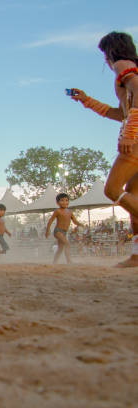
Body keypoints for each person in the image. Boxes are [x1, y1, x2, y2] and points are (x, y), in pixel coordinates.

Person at [69, 32, 138, 267]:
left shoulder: (122, 65)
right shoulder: (131, 68)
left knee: (113, 189)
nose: (105, 62)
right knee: (133, 195)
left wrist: (130, 134)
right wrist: (87, 101)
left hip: (136, 138)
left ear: (111, 52)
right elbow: (120, 113)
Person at [45, 193, 82, 264]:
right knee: (67, 244)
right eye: (62, 200)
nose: (65, 202)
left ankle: (54, 262)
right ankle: (69, 261)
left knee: (60, 249)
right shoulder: (57, 211)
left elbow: (74, 221)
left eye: (66, 200)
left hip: (64, 232)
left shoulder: (70, 212)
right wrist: (47, 231)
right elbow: (50, 221)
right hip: (58, 231)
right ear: (57, 202)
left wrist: (80, 224)